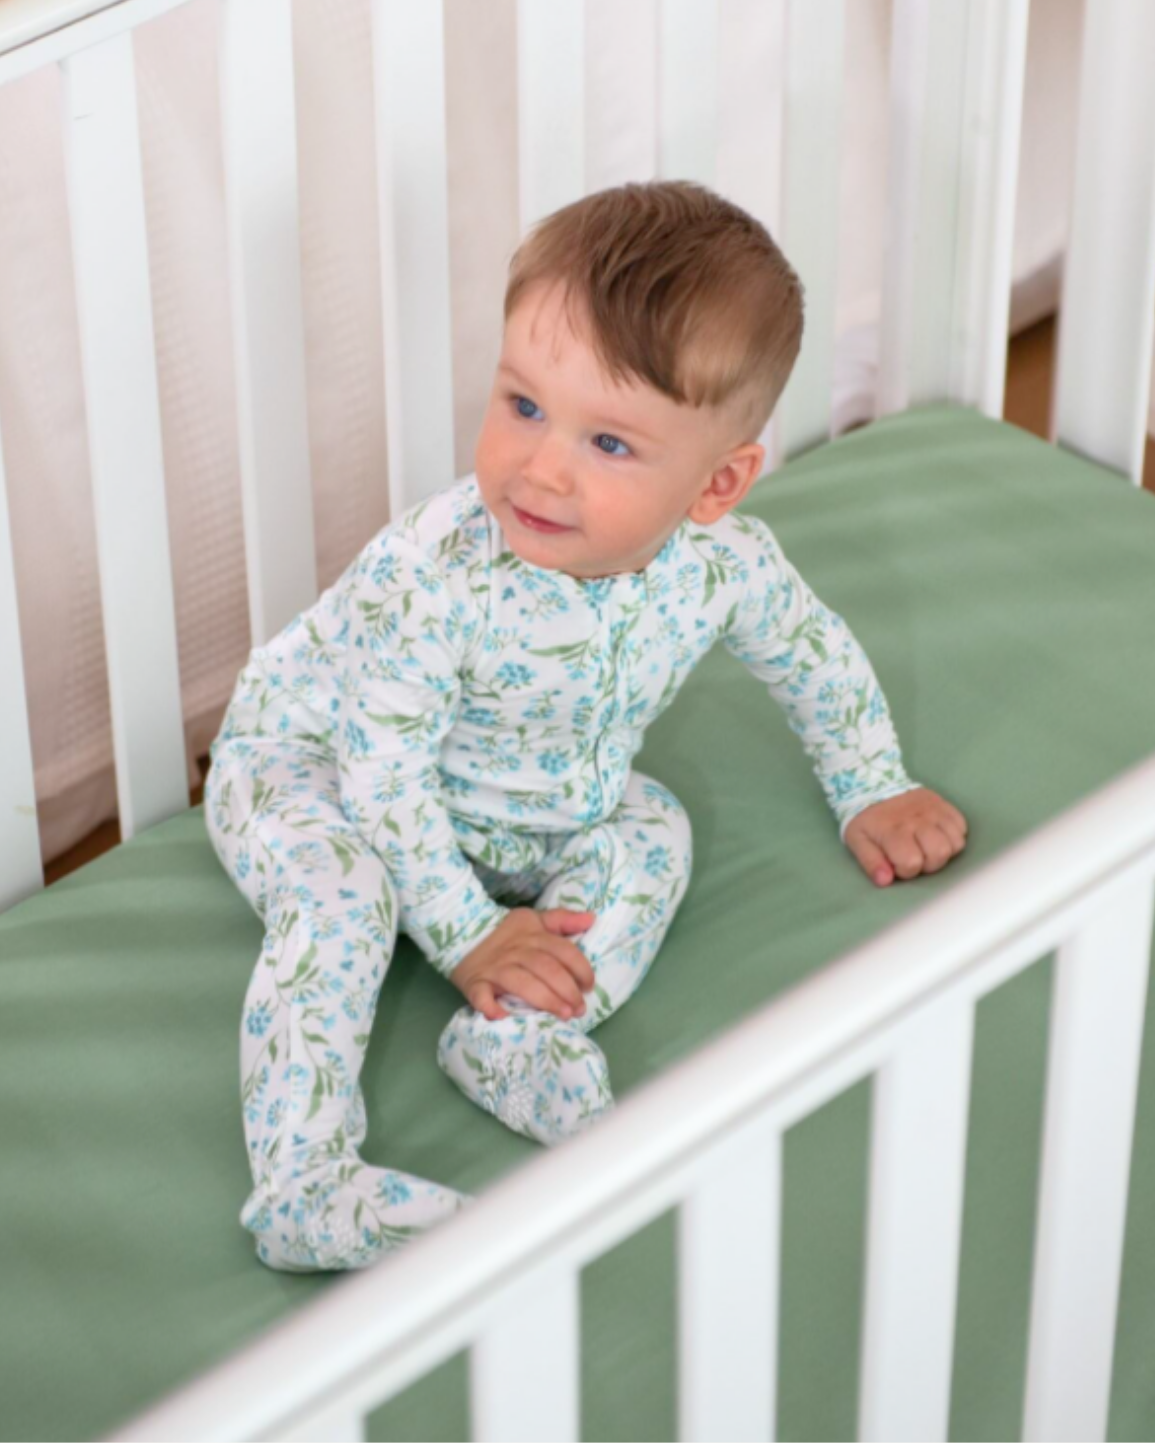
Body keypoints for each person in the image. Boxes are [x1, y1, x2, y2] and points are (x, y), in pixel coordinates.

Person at [205, 179, 968, 1273]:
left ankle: (518, 1034)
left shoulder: (723, 567)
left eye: (608, 442)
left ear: (717, 484)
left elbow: (810, 651)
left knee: (652, 831)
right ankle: (304, 1182)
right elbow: (381, 775)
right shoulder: (437, 577)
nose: (541, 467)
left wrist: (871, 783)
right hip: (314, 766)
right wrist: (465, 933)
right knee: (344, 899)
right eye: (523, 406)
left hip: (530, 802)